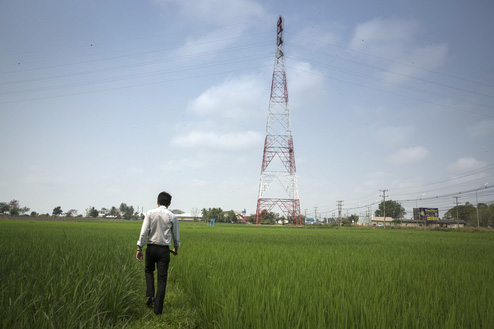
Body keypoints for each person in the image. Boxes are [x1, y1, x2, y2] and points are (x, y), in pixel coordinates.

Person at [136, 191, 180, 315]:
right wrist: (176, 248)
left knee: (149, 271)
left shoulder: (149, 213)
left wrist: (139, 248)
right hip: (164, 251)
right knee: (162, 279)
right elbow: (176, 236)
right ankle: (158, 310)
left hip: (151, 248)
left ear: (157, 201)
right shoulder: (173, 217)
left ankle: (151, 296)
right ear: (169, 203)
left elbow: (143, 232)